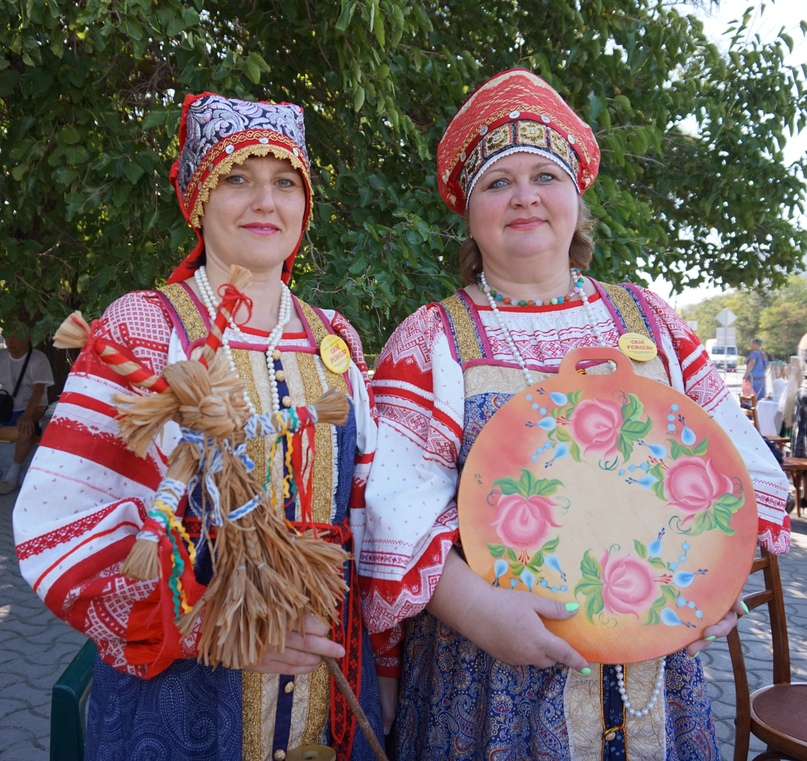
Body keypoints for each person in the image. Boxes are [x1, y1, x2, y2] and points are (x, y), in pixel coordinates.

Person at [358, 69, 790, 760]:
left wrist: (717, 578)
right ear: (469, 213)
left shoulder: (648, 321)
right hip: (491, 675)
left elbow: (734, 464)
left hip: (656, 674)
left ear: (577, 200)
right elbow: (395, 512)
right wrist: (484, 614)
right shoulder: (433, 339)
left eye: (545, 176)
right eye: (497, 182)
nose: (524, 195)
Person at [14, 94, 383, 760]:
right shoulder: (144, 327)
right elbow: (62, 522)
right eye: (238, 177)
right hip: (182, 706)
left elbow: (371, 520)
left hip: (328, 695)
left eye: (285, 182)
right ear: (198, 199)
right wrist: (219, 623)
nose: (265, 201)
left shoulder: (335, 340)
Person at [0, 326, 54, 494]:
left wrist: (27, 416)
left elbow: (38, 390)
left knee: (25, 429)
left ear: (27, 338)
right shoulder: (2, 356)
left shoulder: (38, 359)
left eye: (15, 337)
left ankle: (12, 476)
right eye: (7, 336)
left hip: (33, 406)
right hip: (6, 406)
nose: (10, 341)